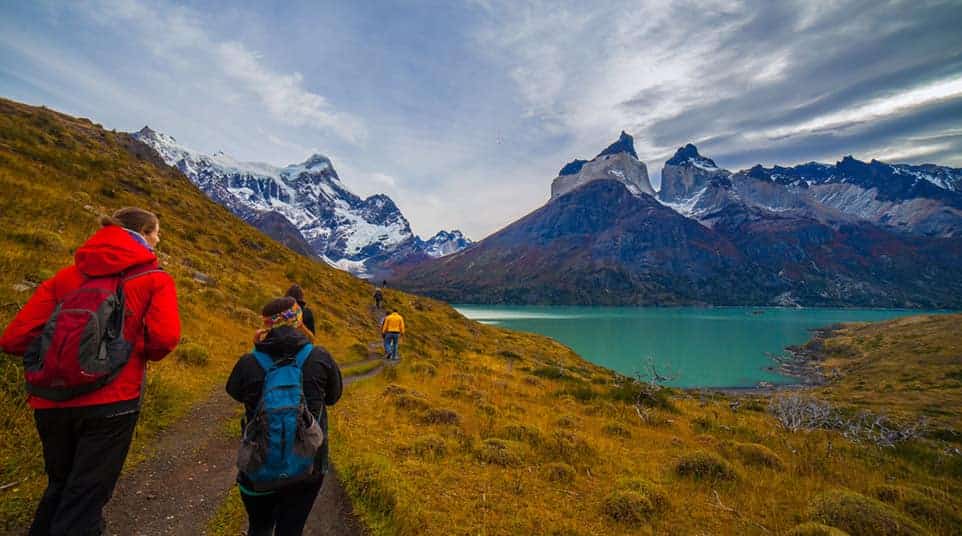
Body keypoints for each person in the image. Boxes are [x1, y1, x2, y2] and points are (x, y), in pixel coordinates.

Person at [0, 207, 181, 536]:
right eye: (156, 232)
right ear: (142, 233)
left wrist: (57, 357)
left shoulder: (65, 278)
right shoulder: (154, 278)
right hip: (114, 401)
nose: (158, 239)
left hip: (50, 401)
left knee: (60, 485)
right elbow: (164, 340)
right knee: (85, 496)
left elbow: (13, 339)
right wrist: (123, 348)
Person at [226, 297, 342, 536]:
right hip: (309, 464)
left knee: (259, 527)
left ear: (266, 325)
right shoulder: (319, 356)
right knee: (291, 529)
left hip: (258, 461)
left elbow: (234, 392)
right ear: (299, 320)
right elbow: (333, 397)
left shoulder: (249, 362)